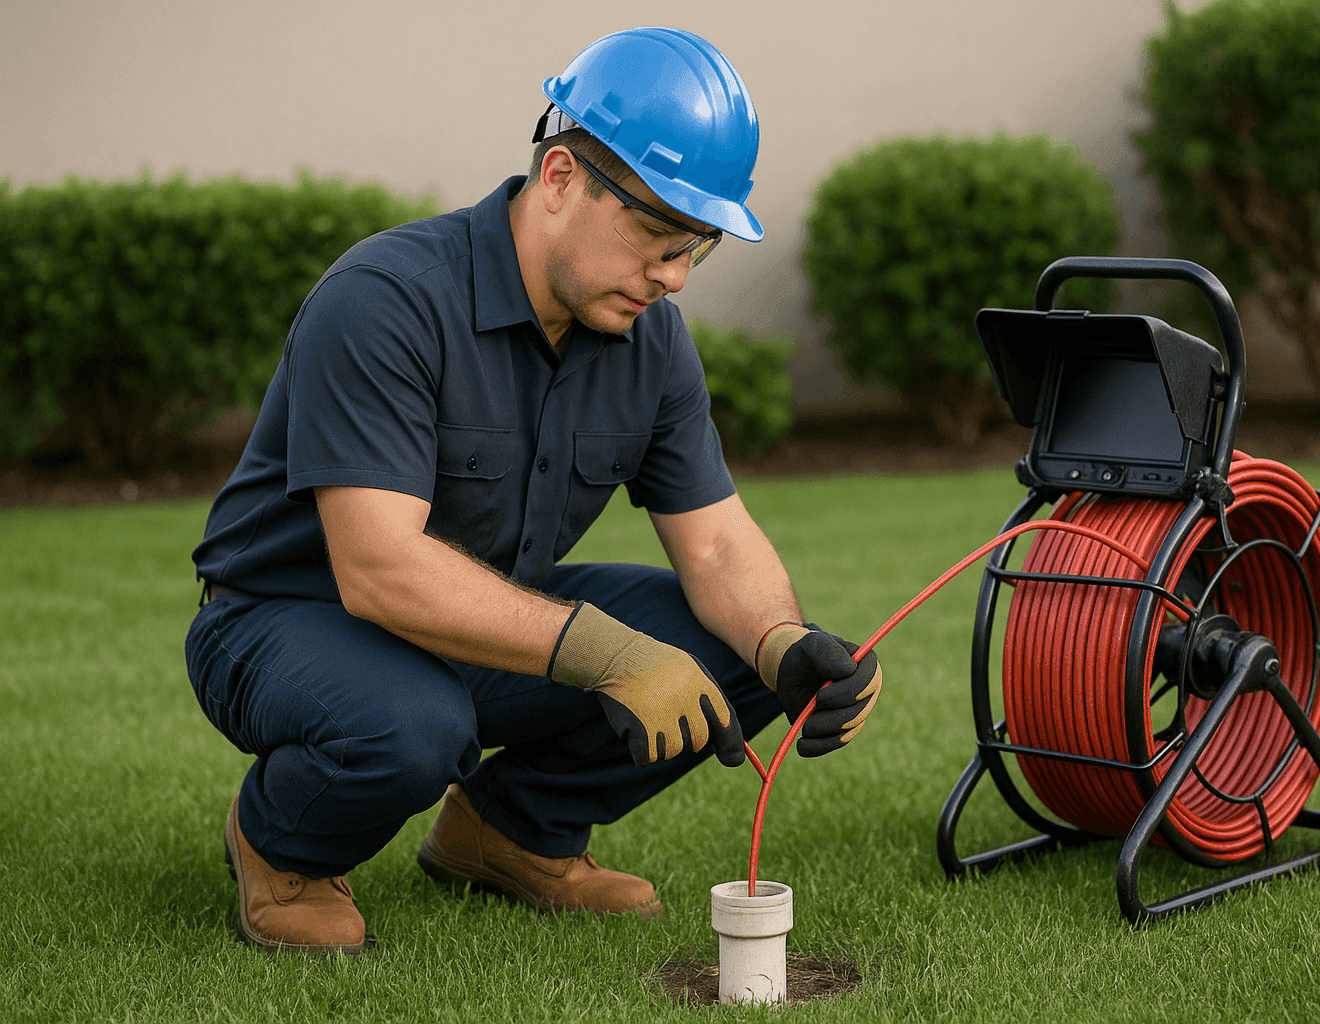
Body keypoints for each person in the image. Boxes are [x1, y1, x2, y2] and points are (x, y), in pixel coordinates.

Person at [184, 26, 882, 956]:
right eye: (657, 235)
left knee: (732, 643)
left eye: (697, 248)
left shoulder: (652, 341)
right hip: (288, 621)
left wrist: (783, 646)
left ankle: (508, 832)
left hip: (485, 624)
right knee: (411, 726)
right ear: (560, 178)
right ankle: (282, 847)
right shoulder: (385, 300)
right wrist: (608, 655)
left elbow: (716, 545)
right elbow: (379, 569)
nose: (673, 275)